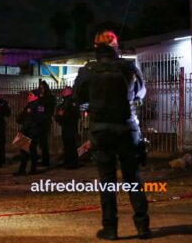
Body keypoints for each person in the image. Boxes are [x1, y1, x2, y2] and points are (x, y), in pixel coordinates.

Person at [73, 30, 150, 240]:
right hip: (127, 129)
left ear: (96, 46)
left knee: (107, 181)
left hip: (101, 131)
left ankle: (111, 229)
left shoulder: (88, 70)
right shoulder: (128, 68)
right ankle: (143, 226)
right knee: (133, 178)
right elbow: (140, 93)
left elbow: (78, 97)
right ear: (115, 45)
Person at [14, 90, 46, 175]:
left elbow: (39, 120)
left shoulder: (39, 106)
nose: (28, 96)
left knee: (30, 150)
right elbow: (22, 119)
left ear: (36, 96)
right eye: (29, 95)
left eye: (30, 95)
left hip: (32, 132)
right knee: (24, 150)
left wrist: (31, 128)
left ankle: (31, 169)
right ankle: (23, 170)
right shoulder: (29, 105)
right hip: (26, 130)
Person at [55, 86, 80, 169]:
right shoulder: (65, 102)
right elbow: (59, 113)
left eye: (65, 91)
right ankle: (68, 162)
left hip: (70, 126)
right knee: (67, 145)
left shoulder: (72, 102)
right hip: (66, 126)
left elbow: (74, 114)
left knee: (71, 145)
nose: (63, 92)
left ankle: (72, 163)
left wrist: (62, 115)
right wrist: (60, 116)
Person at [37, 80, 56, 168]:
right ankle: (44, 159)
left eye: (41, 88)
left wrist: (41, 98)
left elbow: (47, 109)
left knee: (44, 142)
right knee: (41, 142)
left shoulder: (49, 98)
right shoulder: (42, 97)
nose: (40, 90)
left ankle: (46, 160)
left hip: (45, 121)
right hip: (40, 121)